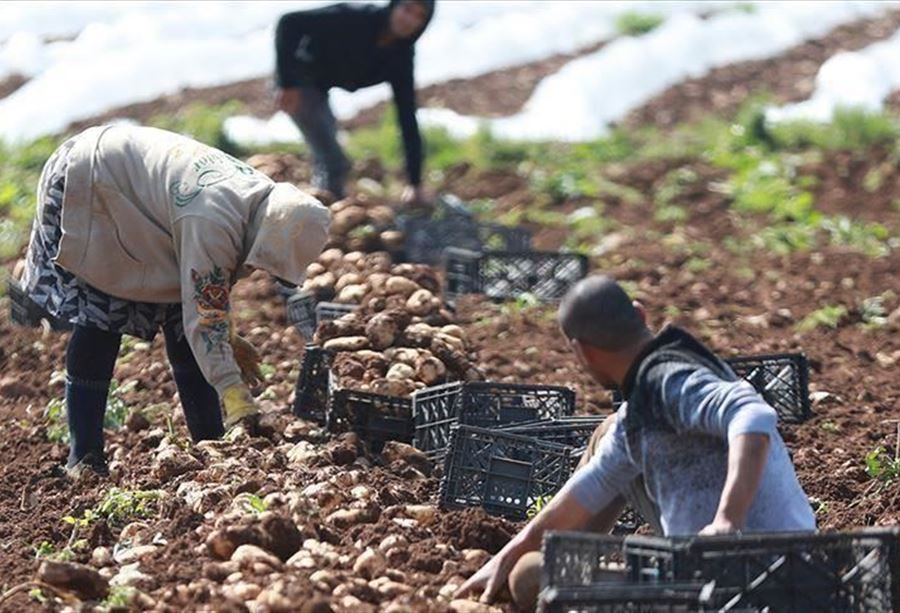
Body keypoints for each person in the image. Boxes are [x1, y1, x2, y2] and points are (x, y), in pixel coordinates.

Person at [456, 275, 816, 611]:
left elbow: (752, 415)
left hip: (739, 581)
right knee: (528, 568)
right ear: (640, 314)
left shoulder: (669, 381)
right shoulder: (644, 406)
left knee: (531, 578)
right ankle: (567, 563)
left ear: (582, 352)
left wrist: (727, 521)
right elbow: (590, 486)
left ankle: (582, 575)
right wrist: (509, 553)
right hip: (795, 567)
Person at [19, 124, 330, 477]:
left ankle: (209, 443)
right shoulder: (212, 222)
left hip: (132, 192)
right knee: (103, 313)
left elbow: (201, 304)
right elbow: (205, 316)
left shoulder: (262, 201)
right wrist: (234, 393)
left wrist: (225, 337)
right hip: (91, 182)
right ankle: (84, 458)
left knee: (181, 321)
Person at [274, 0, 435, 202]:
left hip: (321, 89)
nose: (409, 20)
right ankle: (322, 211)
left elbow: (407, 116)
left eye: (419, 16)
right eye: (407, 9)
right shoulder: (354, 17)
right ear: (394, 6)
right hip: (298, 83)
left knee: (327, 154)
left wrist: (415, 182)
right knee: (334, 161)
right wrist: (287, 83)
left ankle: (319, 204)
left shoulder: (401, 57)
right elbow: (289, 22)